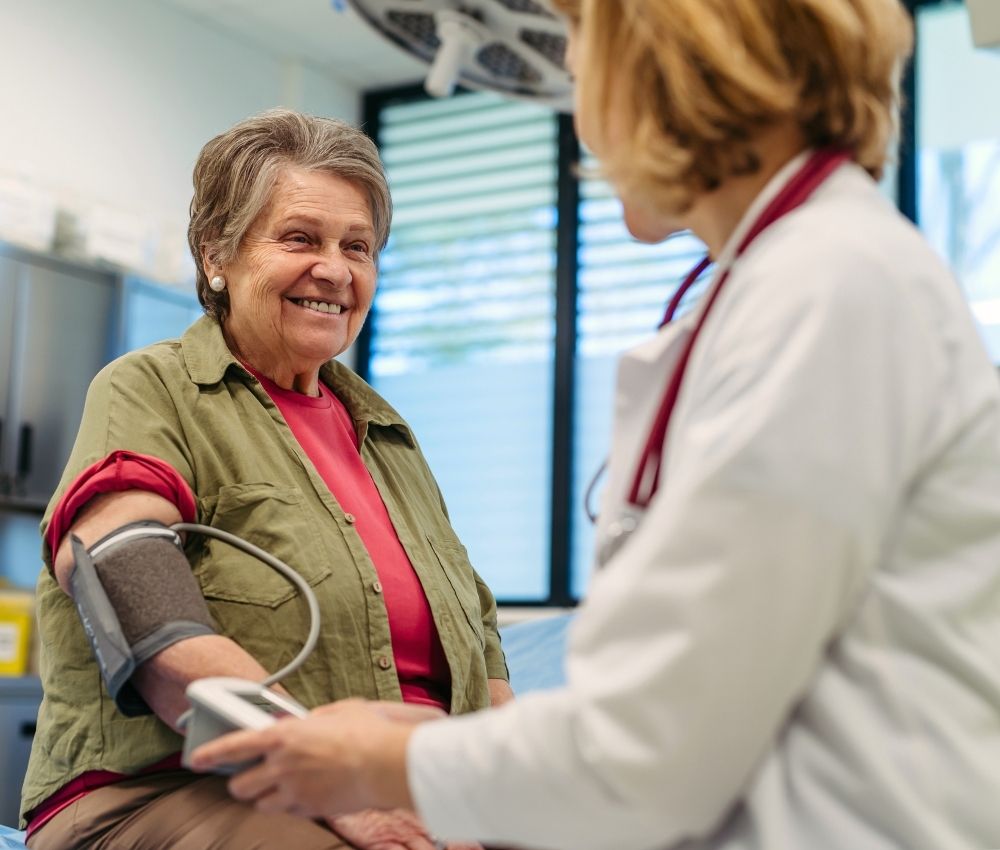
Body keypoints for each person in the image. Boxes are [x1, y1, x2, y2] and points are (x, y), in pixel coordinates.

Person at [191, 1, 1000, 849]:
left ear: (671, 69)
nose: (584, 122)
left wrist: (390, 762)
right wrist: (421, 748)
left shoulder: (826, 291)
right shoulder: (793, 283)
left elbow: (650, 750)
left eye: (584, 73)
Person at [21, 108, 511, 850]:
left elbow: (483, 657)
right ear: (217, 254)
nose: (336, 270)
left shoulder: (389, 439)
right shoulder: (151, 390)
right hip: (173, 788)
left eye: (359, 246)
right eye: (300, 239)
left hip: (410, 790)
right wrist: (335, 781)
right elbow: (136, 597)